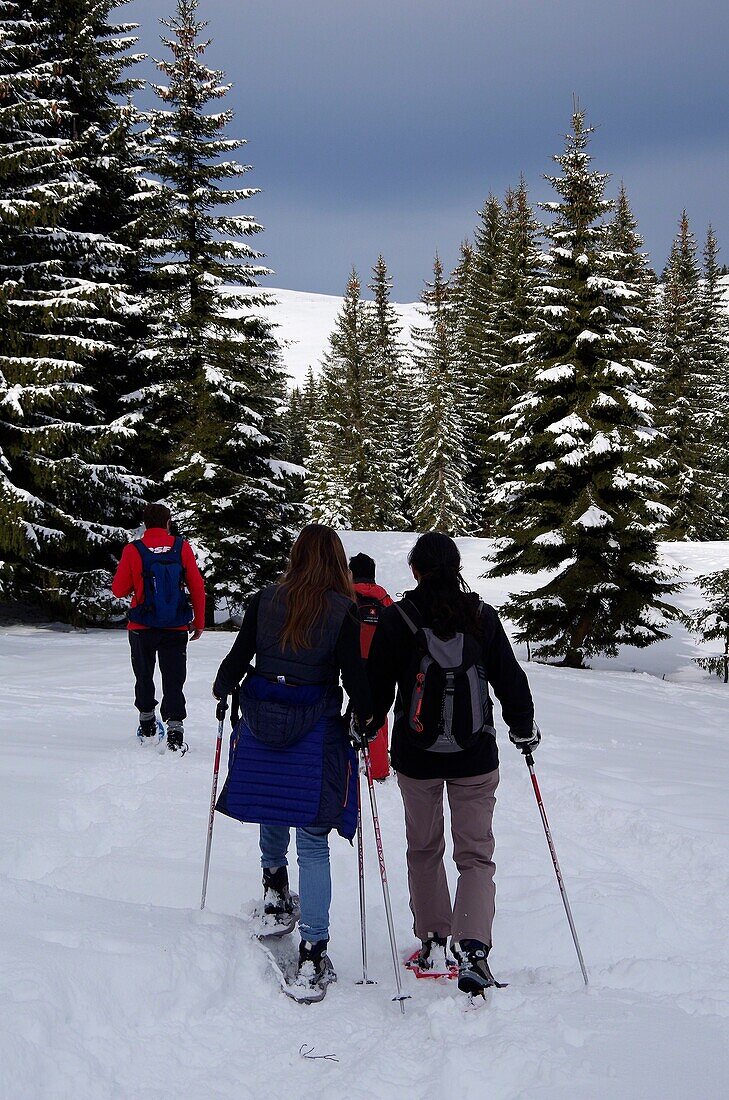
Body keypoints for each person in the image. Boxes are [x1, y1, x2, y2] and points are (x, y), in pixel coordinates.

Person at [367, 532, 539, 995]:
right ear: (457, 566)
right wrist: (523, 726)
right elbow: (509, 679)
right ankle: (475, 951)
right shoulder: (482, 616)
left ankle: (434, 941)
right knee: (476, 854)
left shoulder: (398, 617)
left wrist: (363, 724)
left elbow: (378, 686)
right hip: (476, 755)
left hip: (415, 756)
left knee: (424, 849)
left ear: (415, 569)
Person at [212, 524, 374, 999]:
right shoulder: (343, 611)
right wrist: (368, 716)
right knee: (314, 836)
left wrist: (223, 687)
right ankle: (312, 950)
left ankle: (275, 889)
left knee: (271, 801)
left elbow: (241, 656)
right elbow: (354, 674)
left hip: (263, 718)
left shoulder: (265, 599)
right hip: (314, 723)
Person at [111, 503, 205, 752]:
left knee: (144, 674)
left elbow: (119, 589)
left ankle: (148, 724)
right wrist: (199, 621)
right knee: (174, 678)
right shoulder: (181, 547)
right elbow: (196, 585)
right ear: (168, 522)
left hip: (141, 626)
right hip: (175, 626)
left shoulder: (133, 550)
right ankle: (175, 731)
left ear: (145, 524)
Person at [348, 552, 393, 780]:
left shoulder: (347, 597)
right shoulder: (384, 598)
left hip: (354, 662)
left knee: (358, 710)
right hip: (381, 663)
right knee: (379, 712)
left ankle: (363, 762)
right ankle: (380, 763)